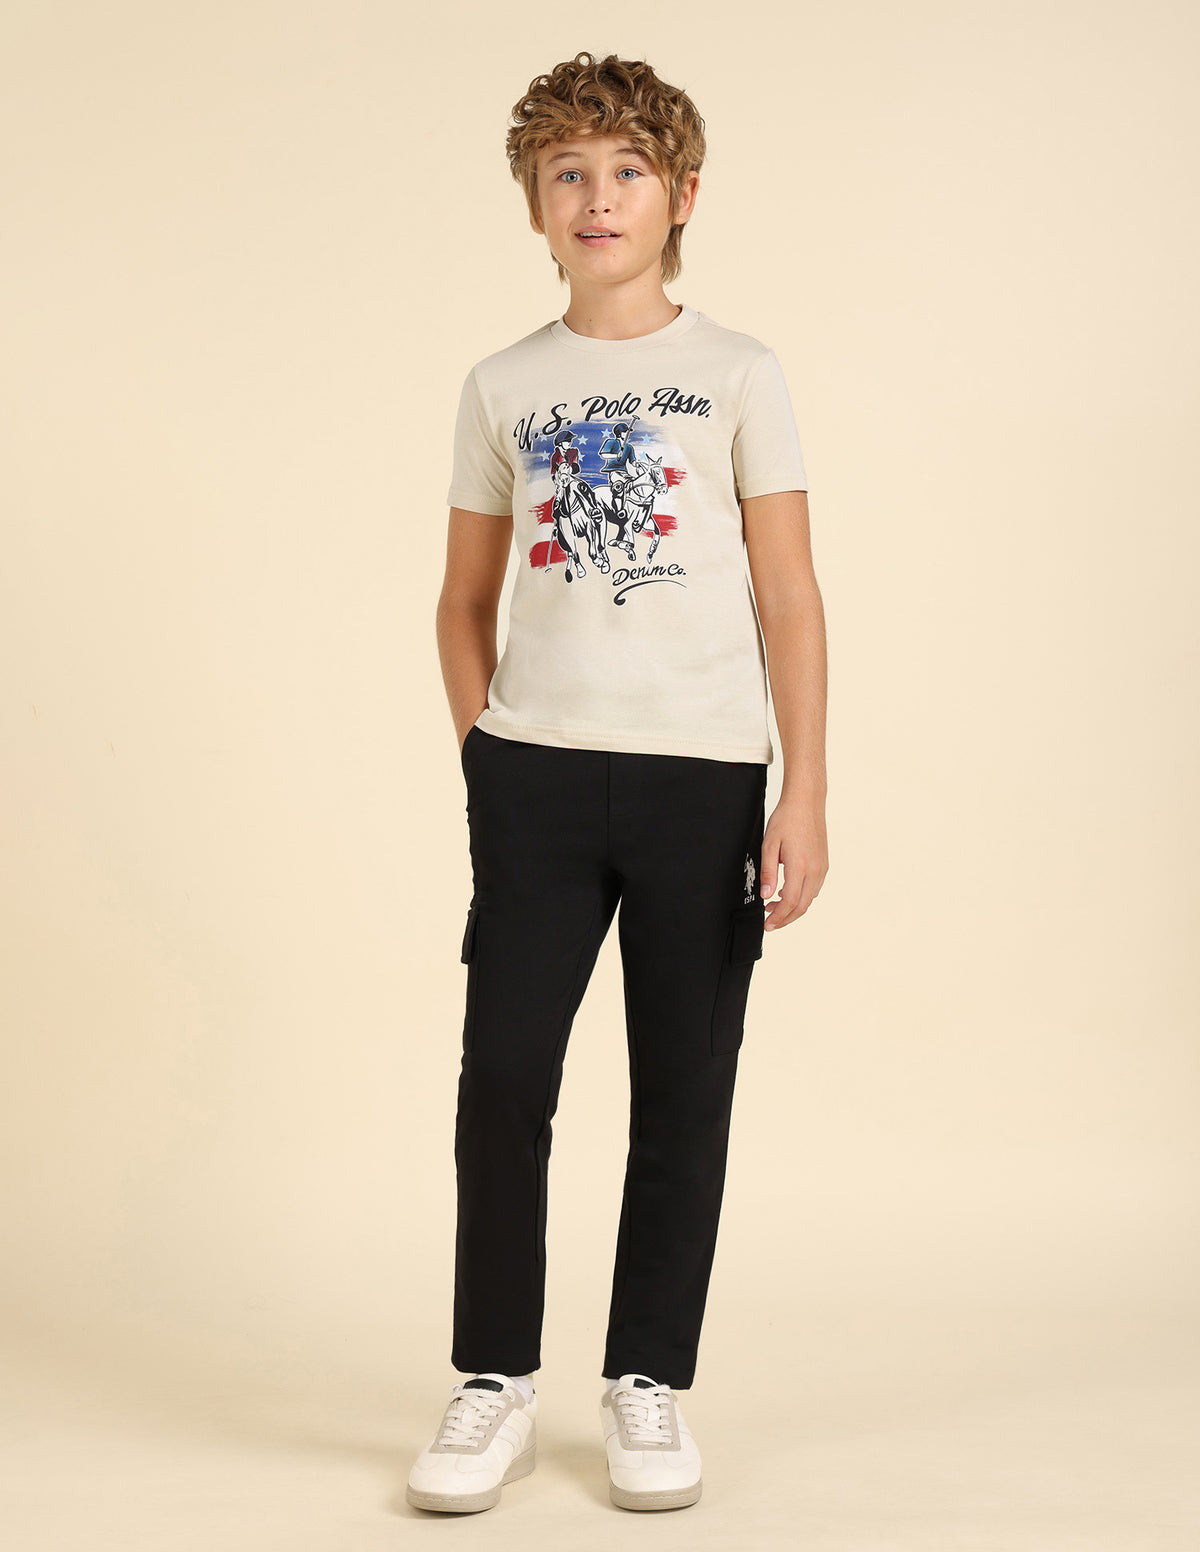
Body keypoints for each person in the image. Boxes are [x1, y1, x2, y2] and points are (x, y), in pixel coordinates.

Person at [407, 49, 829, 1516]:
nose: (598, 197)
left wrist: (802, 792)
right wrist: (485, 751)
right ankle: (493, 1381)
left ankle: (647, 1380)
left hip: (700, 780)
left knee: (683, 1089)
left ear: (681, 195)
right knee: (502, 1083)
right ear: (535, 202)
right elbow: (462, 599)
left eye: (628, 171)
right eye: (568, 173)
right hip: (533, 781)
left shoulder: (739, 375)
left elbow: (789, 594)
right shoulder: (503, 385)